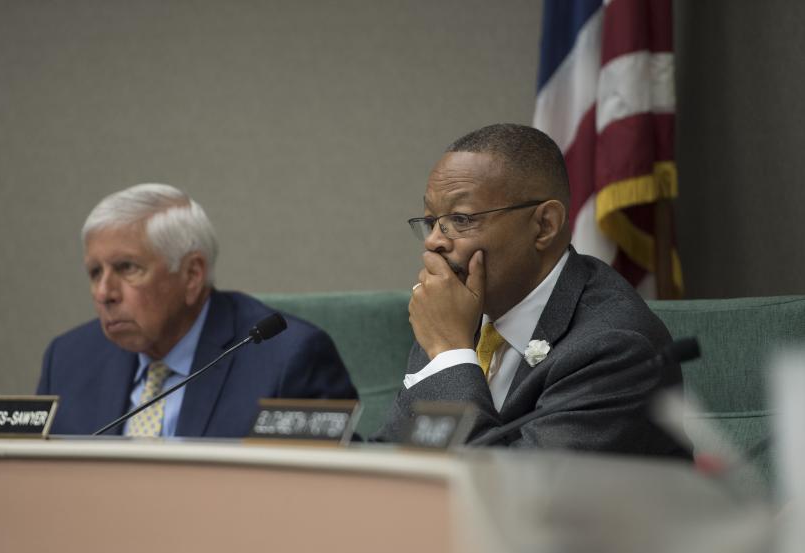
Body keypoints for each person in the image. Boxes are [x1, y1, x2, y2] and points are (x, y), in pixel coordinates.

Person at [376, 124, 689, 457]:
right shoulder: (456, 313)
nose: (433, 241)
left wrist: (450, 353)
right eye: (432, 220)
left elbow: (516, 496)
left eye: (461, 219)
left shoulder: (614, 347)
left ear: (544, 225)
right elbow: (394, 454)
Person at [37, 183, 357, 437]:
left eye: (127, 268)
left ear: (192, 275)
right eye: (95, 273)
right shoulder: (67, 361)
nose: (104, 293)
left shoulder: (288, 360)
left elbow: (329, 495)